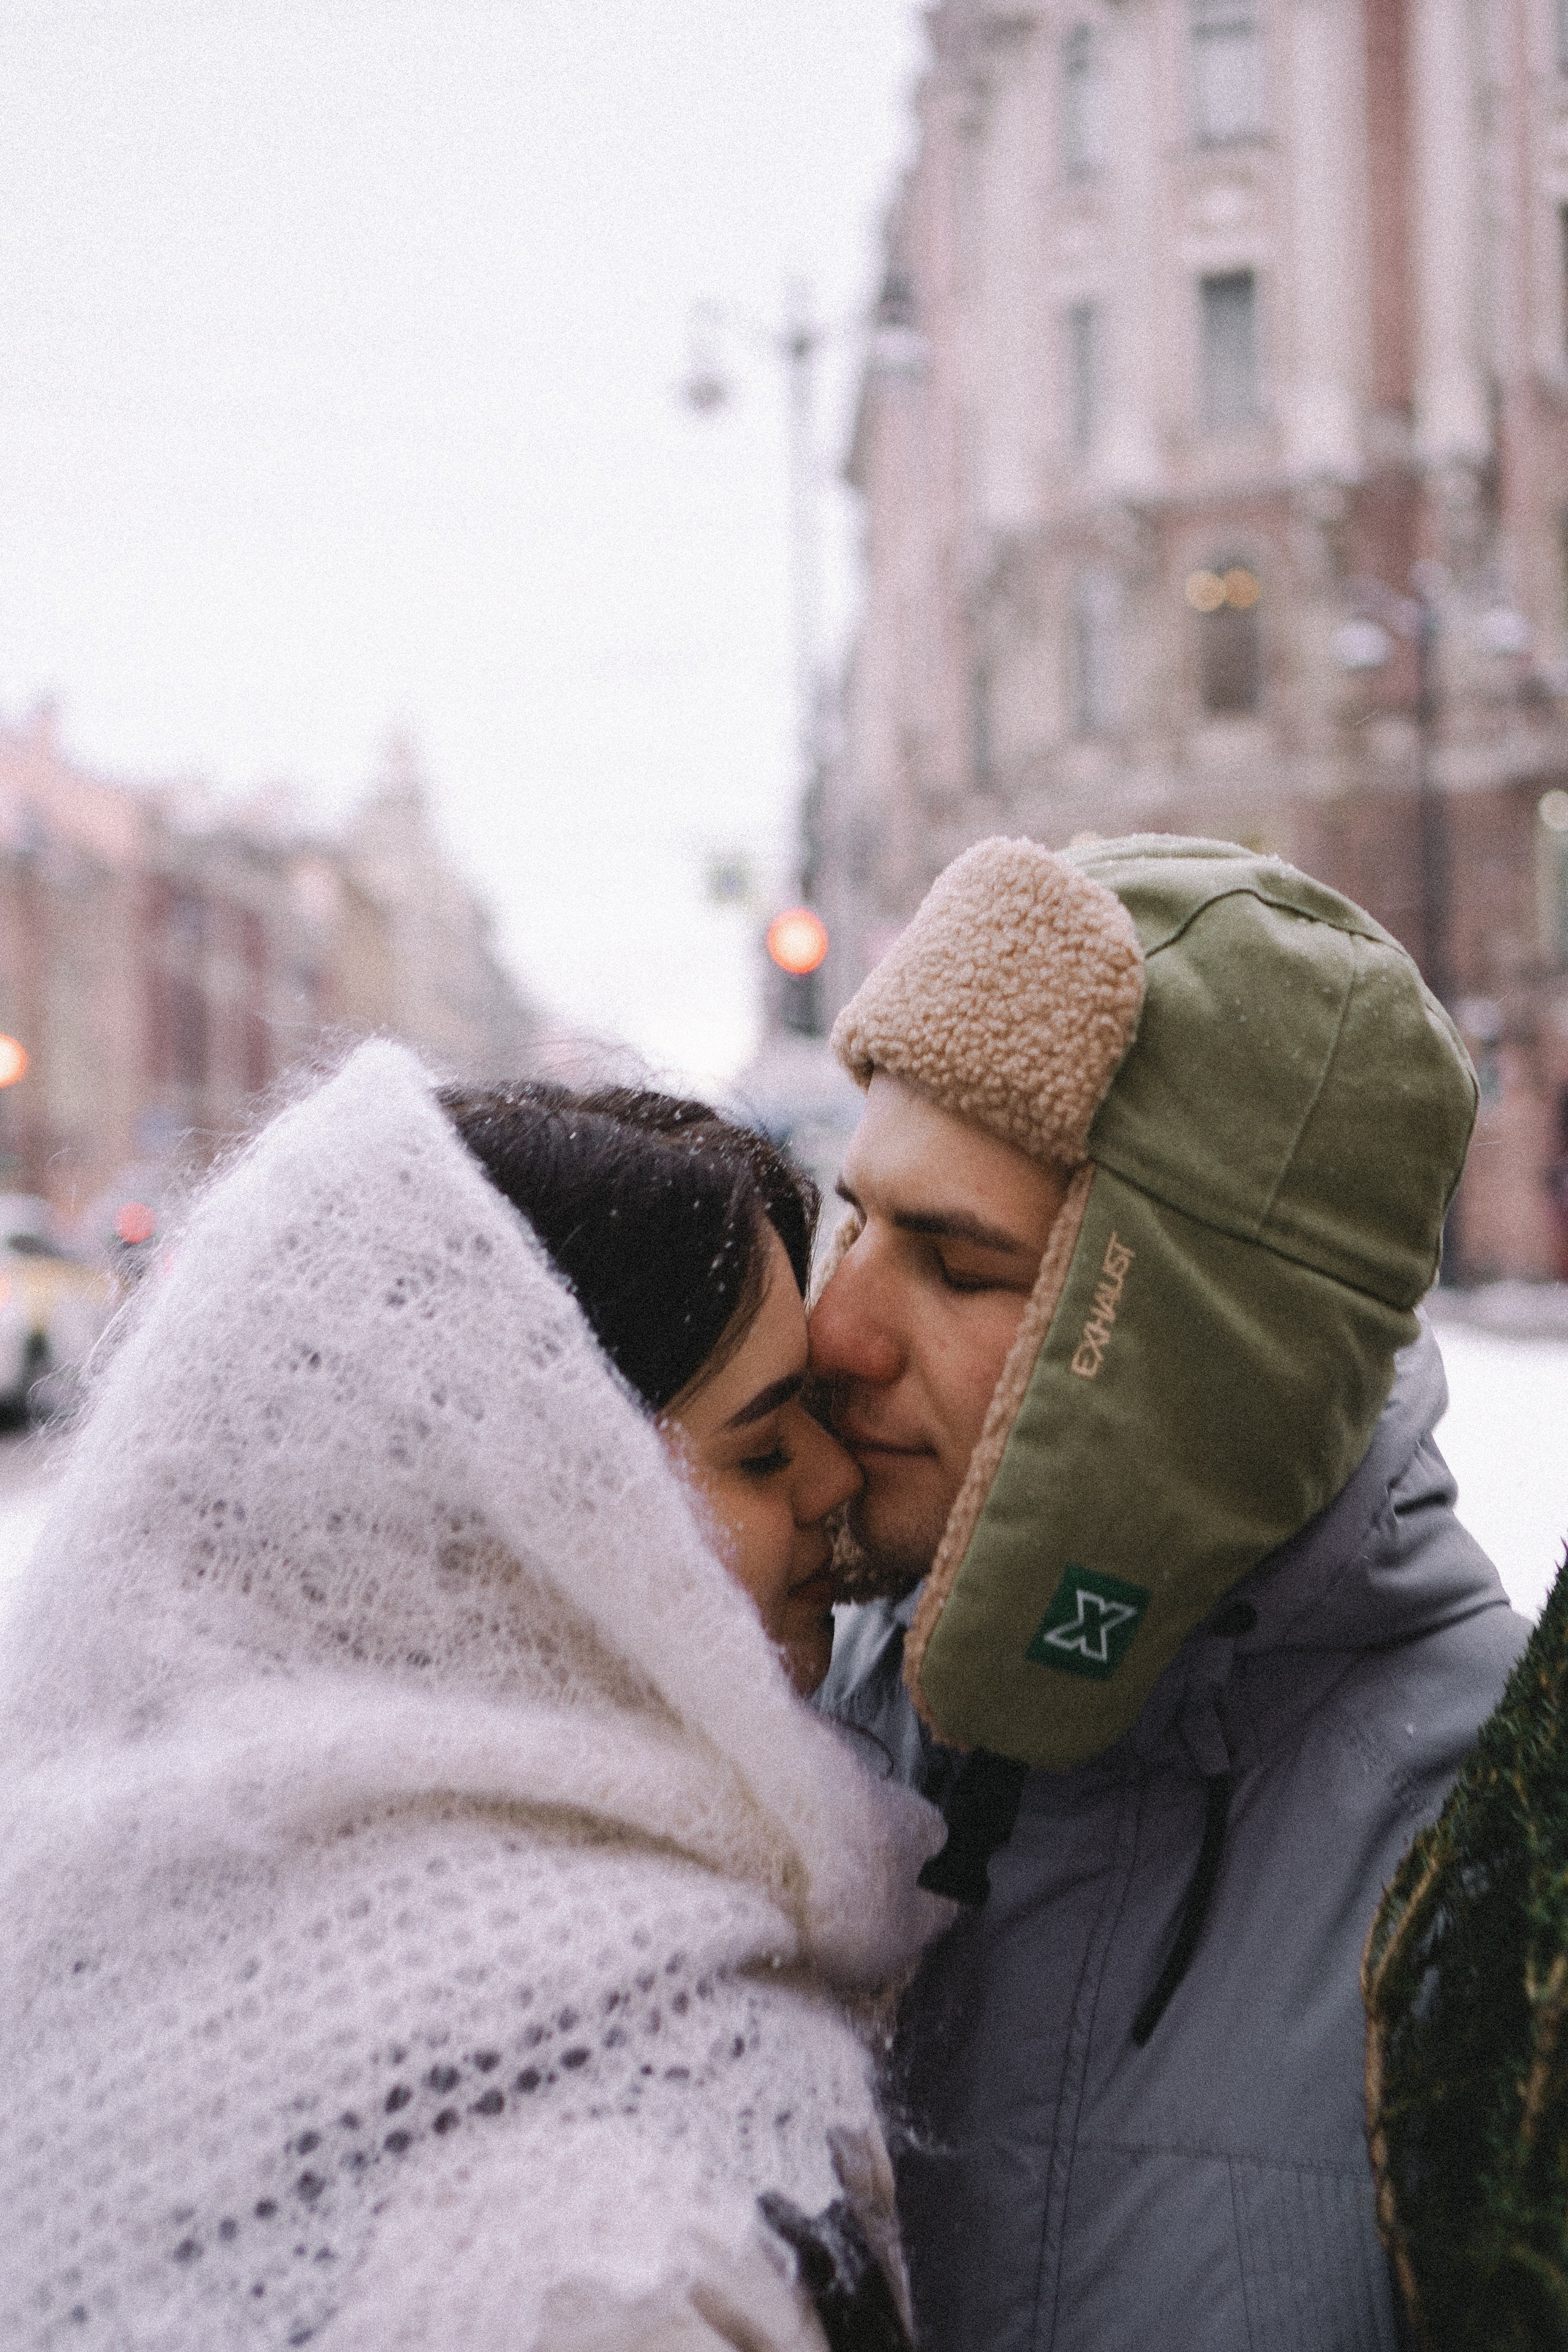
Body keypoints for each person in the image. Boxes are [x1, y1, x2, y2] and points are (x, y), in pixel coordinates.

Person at [0, 1042, 951, 2352]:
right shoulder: (606, 2239)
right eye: (761, 1445)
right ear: (524, 1535)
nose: (834, 1489)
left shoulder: (106, 1907)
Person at [811, 834, 1528, 2352]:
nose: (838, 1333)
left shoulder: (1486, 1846)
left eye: (955, 1265)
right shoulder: (790, 1707)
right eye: (853, 1217)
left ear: (1208, 1353)